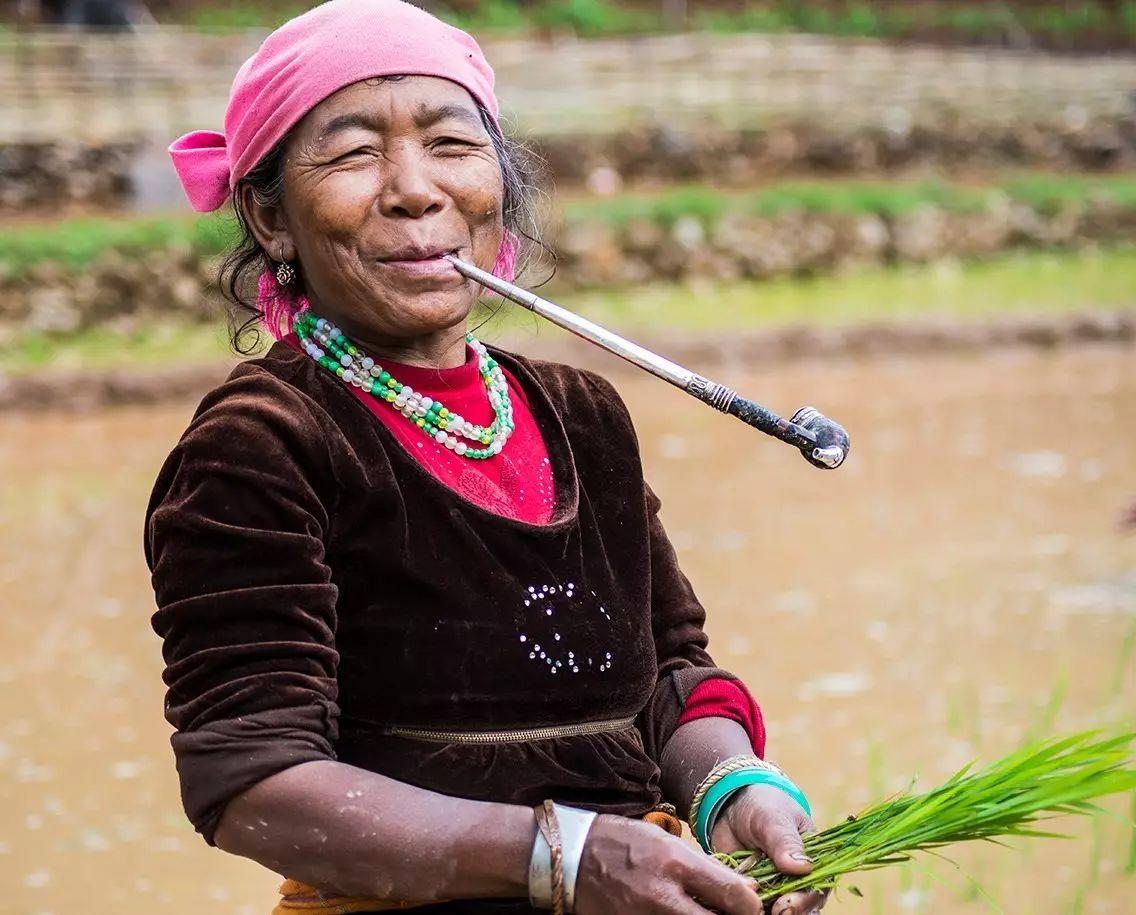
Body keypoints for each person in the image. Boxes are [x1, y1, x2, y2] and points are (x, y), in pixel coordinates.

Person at [146, 3, 828, 913]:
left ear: (496, 183)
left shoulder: (583, 413)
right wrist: (565, 857)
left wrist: (735, 792)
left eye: (451, 146)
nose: (415, 190)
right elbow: (253, 779)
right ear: (270, 216)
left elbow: (666, 678)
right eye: (353, 153)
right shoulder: (262, 445)